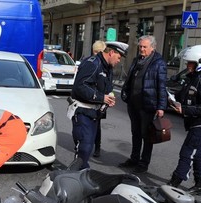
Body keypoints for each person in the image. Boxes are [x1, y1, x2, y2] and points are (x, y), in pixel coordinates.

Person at [166, 45, 201, 196]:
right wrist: (172, 100)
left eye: (191, 63)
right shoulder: (194, 77)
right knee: (198, 152)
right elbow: (183, 96)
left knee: (187, 151)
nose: (188, 65)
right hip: (196, 121)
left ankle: (175, 182)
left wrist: (185, 110)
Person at [67, 41, 128, 169]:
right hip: (83, 110)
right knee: (84, 147)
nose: (119, 61)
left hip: (94, 112)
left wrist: (109, 97)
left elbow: (106, 87)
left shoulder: (108, 67)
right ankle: (76, 176)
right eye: (118, 57)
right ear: (111, 53)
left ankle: (80, 174)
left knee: (87, 148)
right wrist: (102, 97)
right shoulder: (93, 63)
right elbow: (80, 86)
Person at [120, 35, 167, 173]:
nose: (141, 49)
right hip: (133, 104)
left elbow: (162, 86)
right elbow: (130, 79)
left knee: (147, 135)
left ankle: (143, 163)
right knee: (135, 133)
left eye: (144, 47)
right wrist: (125, 93)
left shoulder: (159, 63)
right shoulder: (136, 60)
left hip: (148, 105)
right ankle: (134, 159)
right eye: (140, 46)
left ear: (152, 48)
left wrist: (161, 107)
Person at [91, 40, 109, 158]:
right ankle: (87, 145)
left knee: (96, 124)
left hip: (100, 99)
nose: (96, 54)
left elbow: (108, 84)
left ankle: (97, 147)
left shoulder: (106, 66)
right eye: (95, 52)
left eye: (98, 52)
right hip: (91, 98)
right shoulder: (90, 62)